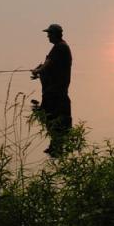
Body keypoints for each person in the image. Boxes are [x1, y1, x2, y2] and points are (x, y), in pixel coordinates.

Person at [31, 24, 72, 156]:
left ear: (55, 34)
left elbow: (48, 65)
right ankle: (58, 139)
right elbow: (49, 65)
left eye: (49, 34)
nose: (48, 36)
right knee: (51, 118)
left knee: (51, 117)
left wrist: (38, 70)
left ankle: (57, 143)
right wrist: (40, 69)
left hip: (56, 89)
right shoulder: (59, 47)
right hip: (54, 88)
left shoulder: (60, 48)